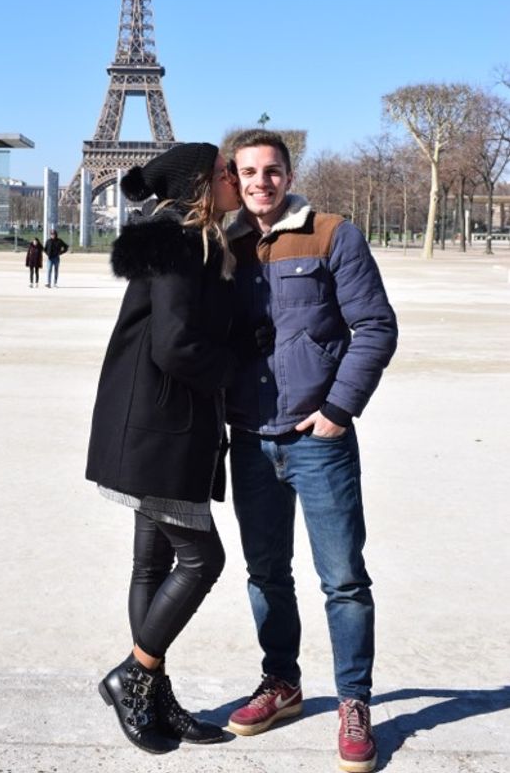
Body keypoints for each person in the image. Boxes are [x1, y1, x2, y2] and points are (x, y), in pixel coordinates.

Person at [223, 129, 398, 773]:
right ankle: (283, 684)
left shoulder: (333, 233)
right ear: (233, 179)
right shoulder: (225, 244)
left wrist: (337, 411)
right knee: (266, 574)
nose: (260, 182)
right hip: (250, 436)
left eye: (271, 170)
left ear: (288, 173)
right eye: (247, 172)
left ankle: (355, 702)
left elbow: (376, 326)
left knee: (343, 580)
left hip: (317, 439)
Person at [85, 142, 240, 754]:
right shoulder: (183, 239)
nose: (235, 178)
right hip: (164, 424)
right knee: (204, 561)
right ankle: (134, 674)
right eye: (228, 170)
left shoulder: (183, 236)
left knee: (151, 564)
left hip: (147, 419)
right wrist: (239, 366)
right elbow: (176, 344)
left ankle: (152, 692)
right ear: (203, 182)